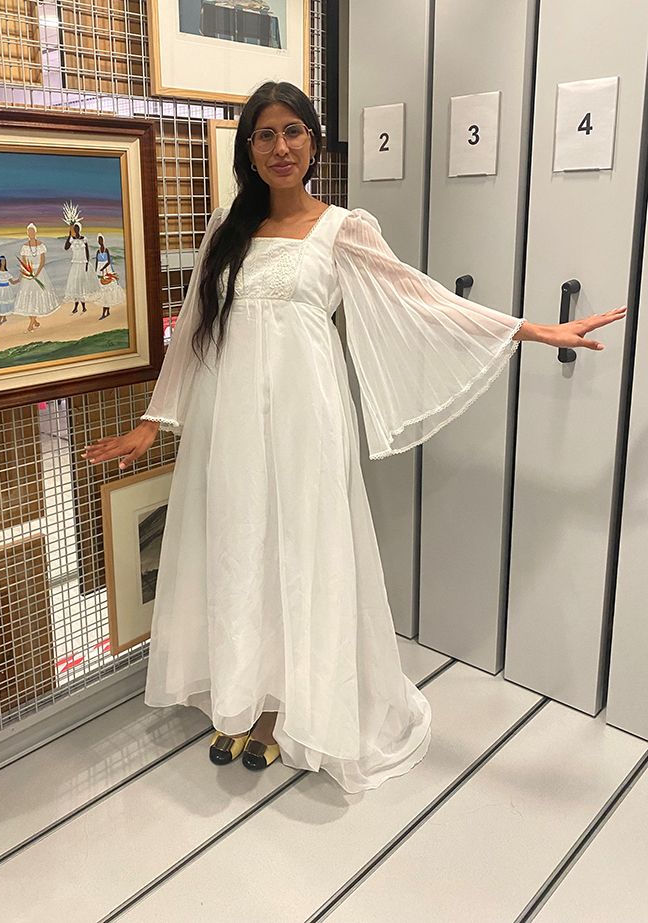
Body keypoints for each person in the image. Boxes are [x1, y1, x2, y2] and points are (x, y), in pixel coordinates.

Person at [83, 81, 626, 794]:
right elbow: (192, 331)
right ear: (248, 148)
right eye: (265, 135)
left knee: (300, 553)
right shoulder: (227, 227)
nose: (280, 148)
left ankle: (286, 711)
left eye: (294, 132)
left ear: (313, 141)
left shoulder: (343, 227)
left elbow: (419, 298)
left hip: (308, 421)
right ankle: (241, 696)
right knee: (239, 546)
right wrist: (153, 422)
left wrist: (528, 328)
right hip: (231, 425)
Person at [13, 223, 60, 333]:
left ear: (35, 232)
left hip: (39, 273)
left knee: (36, 297)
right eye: (29, 232)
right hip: (28, 274)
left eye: (32, 231)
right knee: (29, 299)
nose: (31, 234)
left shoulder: (41, 245)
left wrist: (36, 274)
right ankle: (34, 322)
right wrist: (24, 275)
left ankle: (31, 325)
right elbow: (24, 263)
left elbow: (42, 261)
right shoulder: (24, 247)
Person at [63, 222, 98, 314]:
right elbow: (66, 247)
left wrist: (87, 263)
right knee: (75, 286)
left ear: (80, 229)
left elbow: (87, 251)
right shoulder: (72, 239)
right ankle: (75, 307)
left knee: (81, 285)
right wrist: (69, 235)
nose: (76, 230)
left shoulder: (84, 239)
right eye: (75, 228)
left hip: (83, 264)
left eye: (77, 228)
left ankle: (83, 307)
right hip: (75, 265)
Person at [94, 234, 127, 319]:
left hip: (106, 269)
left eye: (101, 240)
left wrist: (103, 268)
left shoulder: (106, 250)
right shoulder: (98, 251)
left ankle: (105, 312)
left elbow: (108, 261)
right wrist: (95, 271)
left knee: (108, 289)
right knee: (103, 290)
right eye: (99, 240)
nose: (100, 242)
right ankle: (106, 310)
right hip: (100, 270)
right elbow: (97, 262)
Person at [0, 256, 18, 326]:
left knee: (5, 303)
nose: (3, 263)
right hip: (0, 290)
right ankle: (1, 319)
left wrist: (19, 279)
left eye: (4, 261)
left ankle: (2, 319)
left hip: (7, 289)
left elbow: (12, 282)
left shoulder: (7, 273)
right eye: (2, 261)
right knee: (1, 304)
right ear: (0, 262)